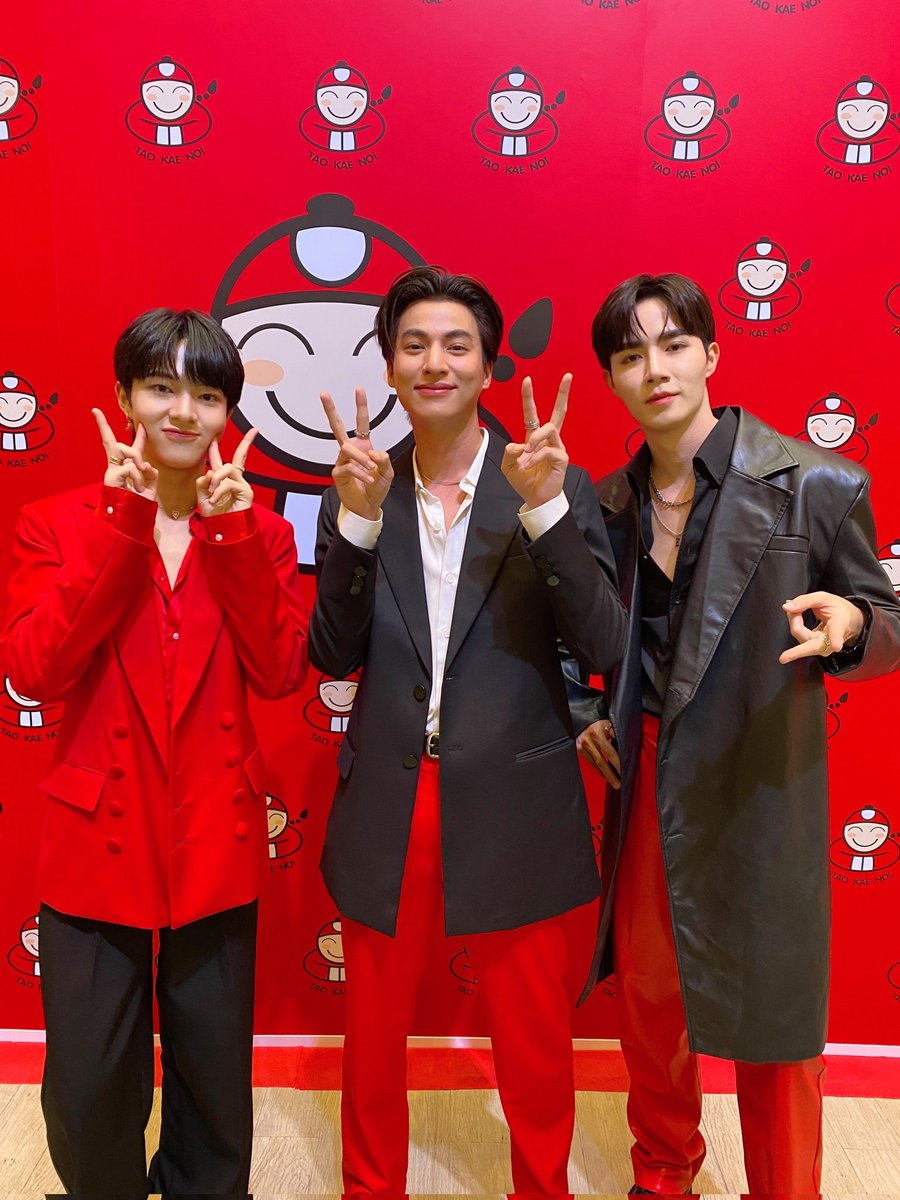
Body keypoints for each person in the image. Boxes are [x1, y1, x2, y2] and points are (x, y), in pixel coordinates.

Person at [569, 272, 900, 1195]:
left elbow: (887, 617)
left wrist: (852, 625)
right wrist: (587, 714)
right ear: (612, 378)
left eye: (674, 345)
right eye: (630, 355)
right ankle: (662, 1173)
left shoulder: (818, 484)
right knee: (651, 999)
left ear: (712, 354)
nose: (656, 369)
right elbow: (568, 635)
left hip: (763, 776)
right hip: (646, 774)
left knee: (777, 1012)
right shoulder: (607, 503)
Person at [309, 265, 626, 1194]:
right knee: (372, 1032)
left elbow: (605, 643)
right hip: (390, 796)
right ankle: (370, 1187)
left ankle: (542, 1185)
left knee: (533, 1034)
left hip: (515, 795)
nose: (434, 363)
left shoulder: (548, 482)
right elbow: (330, 653)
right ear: (390, 365)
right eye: (414, 345)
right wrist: (357, 523)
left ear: (488, 366)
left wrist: (547, 510)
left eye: (457, 345)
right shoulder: (361, 487)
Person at [1, 308, 308, 1197]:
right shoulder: (56, 523)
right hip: (96, 838)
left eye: (205, 396)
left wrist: (235, 536)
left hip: (215, 838)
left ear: (228, 413)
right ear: (123, 396)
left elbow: (281, 671)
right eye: (161, 388)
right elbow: (35, 669)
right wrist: (122, 523)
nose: (183, 412)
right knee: (89, 1087)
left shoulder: (260, 531)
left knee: (214, 1084)